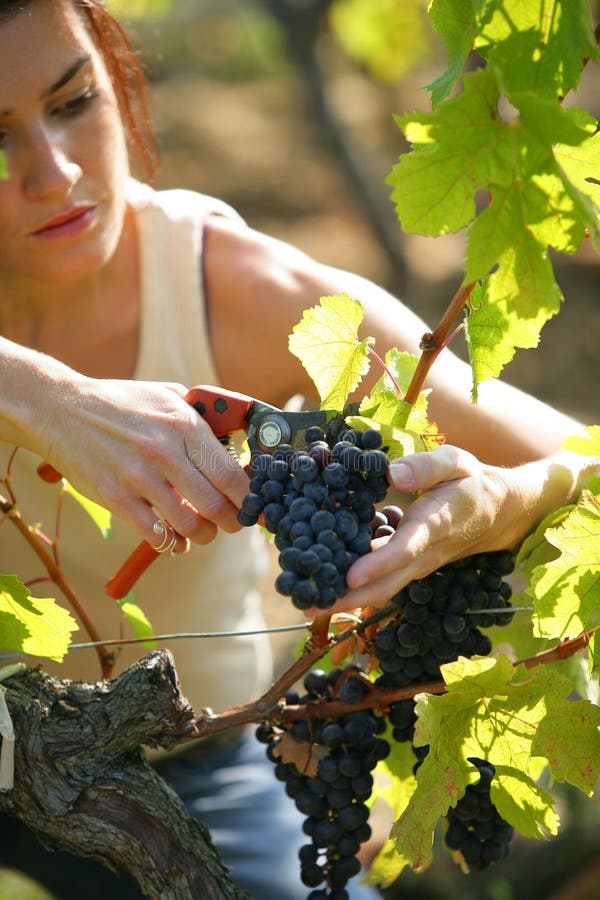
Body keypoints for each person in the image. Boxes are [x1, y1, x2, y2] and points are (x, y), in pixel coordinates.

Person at [0, 1, 596, 898]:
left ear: (119, 82)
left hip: (193, 758)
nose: (54, 171)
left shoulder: (241, 293)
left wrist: (500, 506)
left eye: (75, 99)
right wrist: (43, 395)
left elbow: (580, 461)